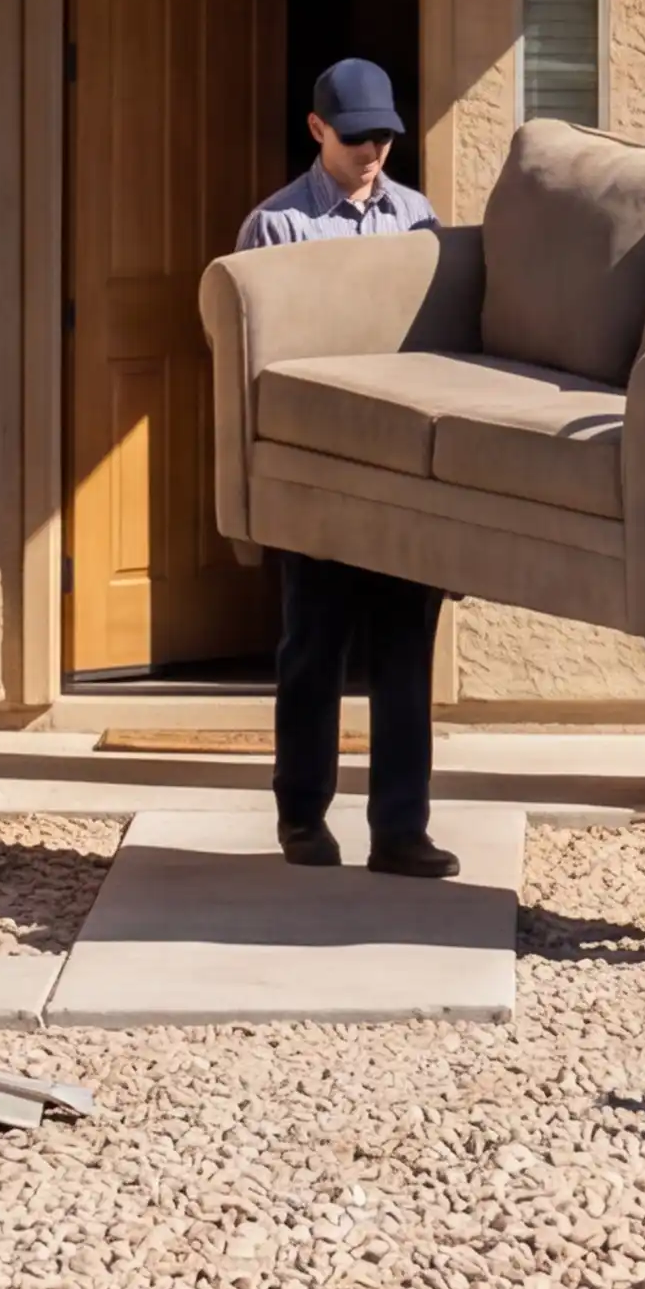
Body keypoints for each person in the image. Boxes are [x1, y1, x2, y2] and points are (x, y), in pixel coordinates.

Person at [229, 58, 456, 878]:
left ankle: (401, 831)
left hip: (401, 474)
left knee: (404, 657)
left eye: (385, 136)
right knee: (312, 650)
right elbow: (252, 363)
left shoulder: (418, 219)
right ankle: (302, 819)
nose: (374, 151)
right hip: (320, 470)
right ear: (318, 129)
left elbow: (442, 340)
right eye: (357, 136)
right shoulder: (277, 228)